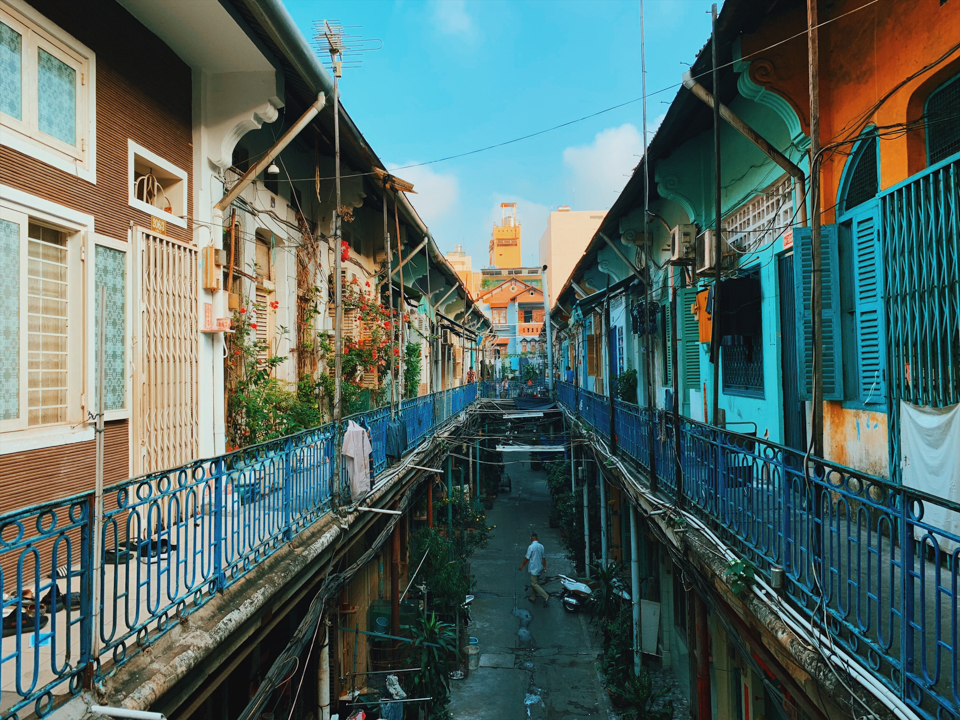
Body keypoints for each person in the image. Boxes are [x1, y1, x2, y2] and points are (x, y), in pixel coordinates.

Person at [519, 532, 549, 607]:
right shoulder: (541, 546)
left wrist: (522, 565)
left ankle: (545, 596)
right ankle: (533, 597)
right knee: (535, 582)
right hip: (540, 568)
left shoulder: (531, 547)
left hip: (534, 568)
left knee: (534, 584)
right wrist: (544, 567)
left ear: (531, 538)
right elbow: (543, 558)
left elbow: (527, 558)